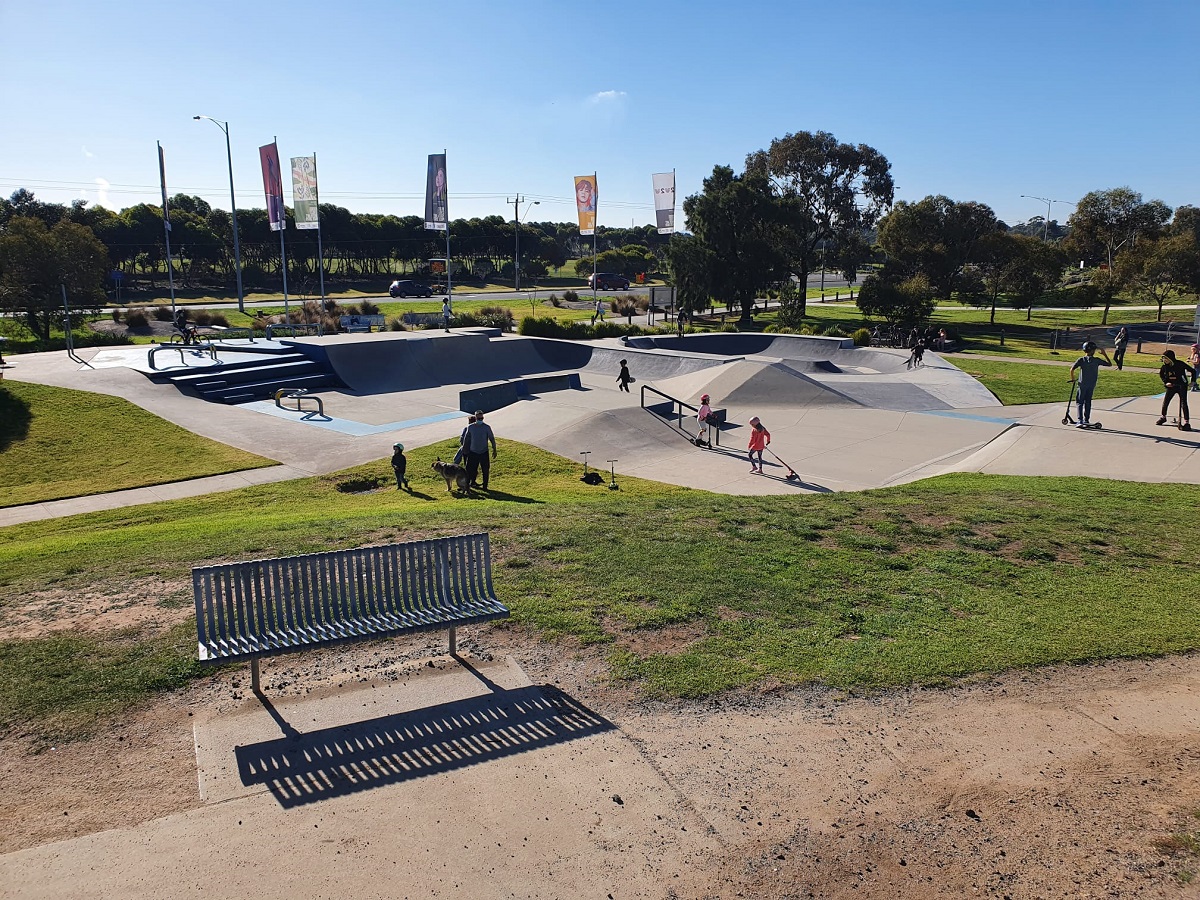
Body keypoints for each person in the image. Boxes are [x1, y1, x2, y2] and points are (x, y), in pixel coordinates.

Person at [1069, 340, 1112, 429]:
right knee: (1088, 402)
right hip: (1091, 384)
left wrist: (1073, 379)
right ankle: (1086, 420)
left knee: (1079, 402)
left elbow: (1072, 369)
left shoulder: (1081, 360)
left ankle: (1080, 420)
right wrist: (1104, 354)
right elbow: (1109, 364)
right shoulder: (1096, 360)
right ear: (1093, 350)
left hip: (1082, 384)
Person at [1156, 350, 1193, 429]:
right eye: (1163, 358)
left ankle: (1186, 422)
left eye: (1166, 358)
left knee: (1184, 403)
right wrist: (1166, 382)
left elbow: (1193, 371)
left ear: (1170, 358)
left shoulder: (1180, 364)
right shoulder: (1164, 367)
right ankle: (1163, 417)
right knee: (1166, 402)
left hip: (1182, 386)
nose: (1164, 360)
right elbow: (1161, 375)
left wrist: (1193, 381)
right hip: (1171, 386)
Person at [463, 409, 498, 490]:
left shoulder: (487, 427)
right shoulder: (470, 427)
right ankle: (468, 484)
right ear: (475, 418)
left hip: (484, 452)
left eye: (481, 418)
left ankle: (485, 486)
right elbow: (466, 439)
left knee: (485, 470)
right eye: (479, 418)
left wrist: (494, 449)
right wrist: (465, 450)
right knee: (470, 469)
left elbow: (492, 439)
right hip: (473, 452)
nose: (480, 420)